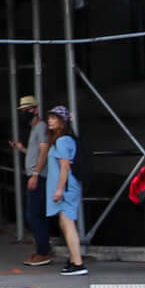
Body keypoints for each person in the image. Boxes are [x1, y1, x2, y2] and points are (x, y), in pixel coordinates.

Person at [45, 107, 87, 277]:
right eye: (50, 118)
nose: (50, 121)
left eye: (54, 118)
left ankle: (78, 263)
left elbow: (64, 166)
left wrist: (59, 189)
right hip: (67, 185)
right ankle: (73, 259)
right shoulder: (63, 140)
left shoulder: (62, 141)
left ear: (63, 122)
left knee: (67, 224)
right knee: (65, 223)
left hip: (66, 187)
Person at [13, 94, 52, 267]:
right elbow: (36, 152)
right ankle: (42, 250)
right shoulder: (35, 129)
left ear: (35, 110)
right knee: (36, 214)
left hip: (39, 177)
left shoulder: (41, 127)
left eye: (27, 110)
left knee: (34, 214)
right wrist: (22, 149)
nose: (24, 113)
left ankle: (43, 252)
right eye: (22, 111)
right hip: (36, 175)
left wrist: (35, 174)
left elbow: (44, 151)